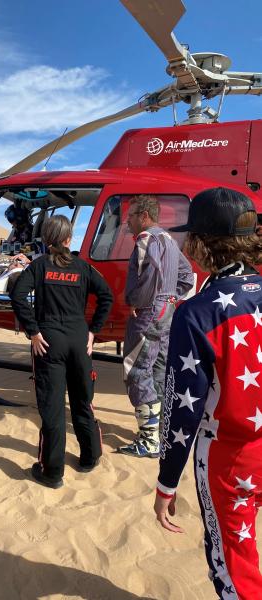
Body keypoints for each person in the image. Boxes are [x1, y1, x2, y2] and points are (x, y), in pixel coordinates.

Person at [154, 187, 262, 598]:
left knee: (234, 560)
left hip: (230, 459)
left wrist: (167, 484)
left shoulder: (197, 312)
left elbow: (181, 411)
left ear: (200, 242)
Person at [11, 215, 113, 488]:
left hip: (49, 342)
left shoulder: (39, 266)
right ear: (69, 239)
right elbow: (107, 295)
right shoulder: (83, 267)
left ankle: (52, 471)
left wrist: (33, 331)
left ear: (46, 239)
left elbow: (17, 295)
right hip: (79, 341)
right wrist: (93, 331)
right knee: (83, 400)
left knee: (53, 408)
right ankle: (90, 457)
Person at [118, 195, 194, 458]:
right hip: (167, 310)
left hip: (149, 310)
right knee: (159, 367)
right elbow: (185, 275)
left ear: (145, 216)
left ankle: (149, 440)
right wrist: (172, 296)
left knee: (136, 367)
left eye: (131, 215)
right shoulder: (170, 241)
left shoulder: (146, 239)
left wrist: (136, 301)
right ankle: (160, 430)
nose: (127, 220)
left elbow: (148, 274)